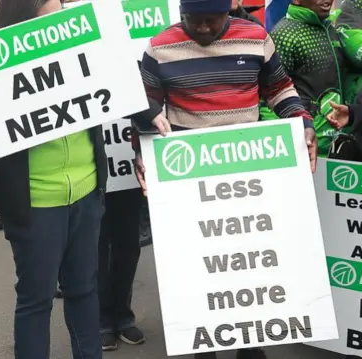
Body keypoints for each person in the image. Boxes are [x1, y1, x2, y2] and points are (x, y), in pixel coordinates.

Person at [132, 0, 317, 357]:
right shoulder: (158, 47)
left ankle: (252, 345)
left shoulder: (256, 38)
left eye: (211, 21)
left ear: (228, 13)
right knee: (203, 267)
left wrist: (302, 123)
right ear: (181, 13)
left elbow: (280, 90)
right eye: (193, 21)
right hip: (188, 180)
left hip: (249, 175)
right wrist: (143, 152)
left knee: (250, 263)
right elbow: (145, 108)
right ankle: (206, 347)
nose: (202, 29)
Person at [0, 0, 106, 357]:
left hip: (87, 190)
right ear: (22, 19)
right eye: (48, 15)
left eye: (61, 11)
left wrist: (150, 116)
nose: (60, 21)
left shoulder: (79, 42)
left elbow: (117, 89)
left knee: (84, 290)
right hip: (34, 203)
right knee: (37, 300)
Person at [268, 0, 345, 154]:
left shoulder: (330, 28)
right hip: (305, 143)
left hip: (335, 143)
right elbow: (270, 96)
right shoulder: (284, 34)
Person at [98, 188, 145, 351]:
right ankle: (101, 320)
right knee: (97, 248)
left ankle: (123, 315)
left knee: (128, 246)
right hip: (91, 177)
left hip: (127, 179)